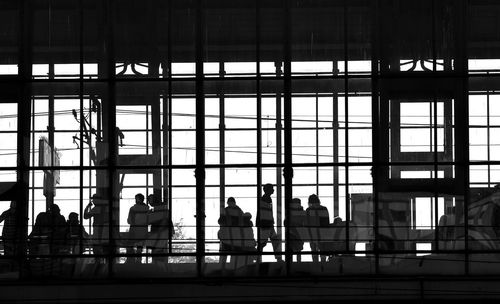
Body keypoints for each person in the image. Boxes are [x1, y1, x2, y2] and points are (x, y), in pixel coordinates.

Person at [256, 184, 282, 262]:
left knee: (264, 243)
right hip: (266, 224)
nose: (273, 190)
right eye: (272, 189)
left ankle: (258, 260)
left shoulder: (266, 199)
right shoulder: (266, 199)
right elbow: (265, 213)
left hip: (266, 224)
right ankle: (278, 259)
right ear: (268, 190)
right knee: (269, 242)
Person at [146, 194, 174, 264]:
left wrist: (149, 215)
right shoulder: (162, 208)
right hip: (162, 233)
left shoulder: (157, 210)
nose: (149, 202)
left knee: (157, 251)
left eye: (149, 200)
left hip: (159, 233)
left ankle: (157, 266)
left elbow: (152, 221)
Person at [218, 197, 244, 267]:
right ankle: (234, 268)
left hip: (226, 236)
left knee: (224, 254)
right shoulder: (239, 211)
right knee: (235, 255)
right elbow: (242, 223)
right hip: (236, 236)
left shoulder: (225, 210)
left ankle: (222, 268)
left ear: (228, 202)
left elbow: (220, 221)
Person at [84, 194, 109, 259]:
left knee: (96, 247)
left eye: (93, 199)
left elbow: (85, 216)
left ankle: (98, 263)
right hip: (106, 231)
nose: (93, 201)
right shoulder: (107, 208)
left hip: (97, 229)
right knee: (105, 248)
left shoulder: (96, 209)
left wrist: (87, 207)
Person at [305, 194, 330, 263]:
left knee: (314, 250)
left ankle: (315, 264)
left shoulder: (308, 210)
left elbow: (307, 223)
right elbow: (327, 222)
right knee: (322, 250)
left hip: (312, 233)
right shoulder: (324, 209)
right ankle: (323, 265)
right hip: (322, 232)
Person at [127, 193, 149, 263]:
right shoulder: (147, 208)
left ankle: (131, 260)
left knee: (131, 244)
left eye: (136, 198)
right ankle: (139, 260)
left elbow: (130, 220)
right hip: (143, 230)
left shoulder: (133, 209)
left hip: (134, 229)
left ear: (137, 199)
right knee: (140, 246)